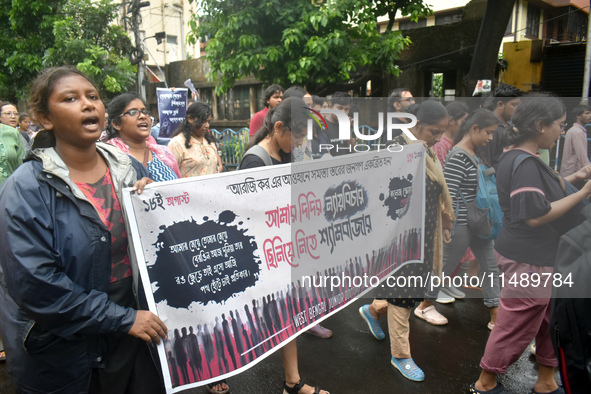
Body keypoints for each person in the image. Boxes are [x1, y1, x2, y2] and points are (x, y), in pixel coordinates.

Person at [0, 66, 168, 393]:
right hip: (62, 351)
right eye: (71, 98)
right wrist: (123, 319)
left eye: (92, 96)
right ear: (44, 117)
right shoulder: (24, 190)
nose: (88, 104)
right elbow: (37, 287)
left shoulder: (129, 169)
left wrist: (154, 205)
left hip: (132, 336)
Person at [471, 94, 591, 394]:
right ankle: (485, 383)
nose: (561, 132)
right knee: (517, 321)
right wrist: (584, 191)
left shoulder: (523, 157)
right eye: (559, 126)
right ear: (540, 125)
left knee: (552, 315)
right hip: (529, 255)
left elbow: (543, 193)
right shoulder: (524, 162)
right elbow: (535, 216)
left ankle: (547, 381)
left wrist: (576, 178)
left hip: (542, 254)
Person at [239, 97, 329, 394]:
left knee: (286, 314)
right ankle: (221, 372)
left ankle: (293, 381)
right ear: (279, 128)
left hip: (283, 249)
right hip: (267, 252)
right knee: (259, 319)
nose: (301, 142)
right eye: (299, 135)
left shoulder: (285, 153)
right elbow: (250, 214)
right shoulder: (256, 160)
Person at [359, 100, 455, 381]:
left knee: (413, 290)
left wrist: (445, 223)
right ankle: (400, 355)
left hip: (426, 232)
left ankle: (374, 308)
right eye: (433, 132)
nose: (438, 139)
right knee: (404, 293)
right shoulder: (397, 150)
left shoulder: (426, 151)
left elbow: (438, 189)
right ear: (415, 125)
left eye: (441, 133)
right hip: (402, 236)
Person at [423, 109, 500, 328]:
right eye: (488, 132)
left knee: (490, 267)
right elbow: (448, 194)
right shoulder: (458, 155)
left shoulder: (475, 153)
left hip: (479, 221)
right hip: (462, 222)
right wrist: (448, 225)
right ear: (474, 129)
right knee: (445, 266)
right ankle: (425, 305)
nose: (490, 138)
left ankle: (496, 316)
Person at [104, 92, 181, 182]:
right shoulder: (110, 157)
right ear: (117, 124)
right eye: (133, 112)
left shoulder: (164, 153)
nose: (143, 116)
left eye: (145, 111)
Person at [167, 102, 222, 177]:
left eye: (208, 122)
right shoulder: (177, 144)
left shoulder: (209, 141)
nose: (207, 126)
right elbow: (170, 174)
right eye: (203, 122)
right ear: (190, 118)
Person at [480, 84, 523, 170]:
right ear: (500, 105)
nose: (517, 109)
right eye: (514, 105)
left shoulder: (509, 126)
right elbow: (486, 162)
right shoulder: (491, 129)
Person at [560, 104, 591, 178]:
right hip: (573, 173)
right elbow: (582, 157)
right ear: (578, 116)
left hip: (569, 172)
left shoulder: (574, 130)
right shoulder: (577, 132)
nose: (590, 115)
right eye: (587, 113)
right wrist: (588, 169)